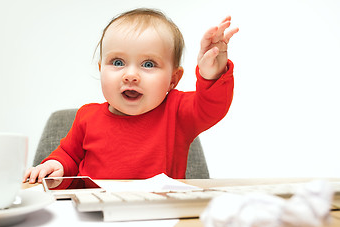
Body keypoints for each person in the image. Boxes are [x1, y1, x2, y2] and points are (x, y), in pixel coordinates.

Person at [24, 8, 239, 183]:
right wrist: (56, 165)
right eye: (118, 62)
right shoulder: (86, 117)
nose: (131, 75)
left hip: (158, 214)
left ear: (173, 79)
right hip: (96, 212)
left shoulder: (177, 111)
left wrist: (212, 75)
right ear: (101, 69)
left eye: (148, 64)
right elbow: (69, 156)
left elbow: (210, 106)